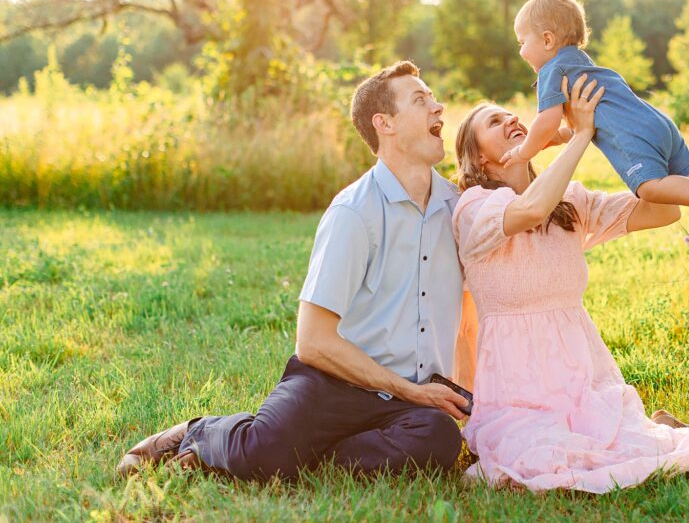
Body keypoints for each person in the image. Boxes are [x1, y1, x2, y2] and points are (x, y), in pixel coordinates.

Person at [115, 61, 475, 481]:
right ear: (385, 124)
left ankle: (306, 459)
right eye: (421, 99)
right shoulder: (354, 212)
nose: (439, 106)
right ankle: (202, 432)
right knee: (266, 454)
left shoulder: (458, 210)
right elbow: (314, 342)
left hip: (406, 406)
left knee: (438, 441)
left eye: (432, 97)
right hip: (331, 383)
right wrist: (411, 391)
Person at [452, 74, 689, 493]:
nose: (511, 121)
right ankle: (648, 427)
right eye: (494, 123)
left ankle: (651, 427)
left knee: (614, 443)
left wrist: (612, 134)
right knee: (536, 459)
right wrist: (580, 136)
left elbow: (663, 212)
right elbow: (532, 208)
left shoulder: (570, 201)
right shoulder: (475, 208)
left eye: (513, 116)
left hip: (579, 370)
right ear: (479, 158)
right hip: (516, 384)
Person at [501, 0, 689, 250]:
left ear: (547, 40)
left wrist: (524, 151)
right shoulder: (581, 63)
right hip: (657, 122)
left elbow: (546, 121)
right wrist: (555, 140)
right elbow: (591, 121)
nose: (521, 51)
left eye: (522, 42)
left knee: (650, 187)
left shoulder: (551, 71)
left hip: (633, 135)